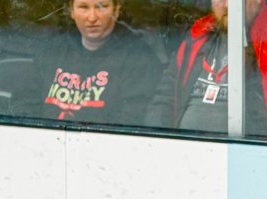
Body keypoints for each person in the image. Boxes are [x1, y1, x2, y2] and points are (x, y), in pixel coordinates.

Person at [146, 0, 267, 139]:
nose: (226, 5)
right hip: (184, 153)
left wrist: (263, 150)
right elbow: (164, 99)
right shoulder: (197, 36)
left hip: (252, 159)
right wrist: (157, 143)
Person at [24, 0, 163, 125]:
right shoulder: (52, 50)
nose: (92, 18)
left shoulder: (138, 58)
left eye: (102, 7)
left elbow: (132, 120)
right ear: (71, 11)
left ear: (116, 10)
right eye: (83, 7)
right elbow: (24, 102)